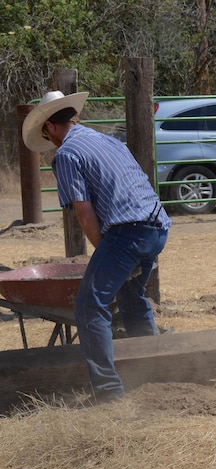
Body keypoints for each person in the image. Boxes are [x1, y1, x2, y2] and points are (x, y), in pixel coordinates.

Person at [22, 90, 172, 402]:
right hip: (156, 227)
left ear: (49, 127)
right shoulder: (105, 139)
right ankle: (157, 371)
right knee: (131, 296)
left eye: (45, 135)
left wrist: (106, 251)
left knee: (89, 307)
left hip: (128, 233)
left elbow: (84, 211)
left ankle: (107, 392)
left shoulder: (67, 154)